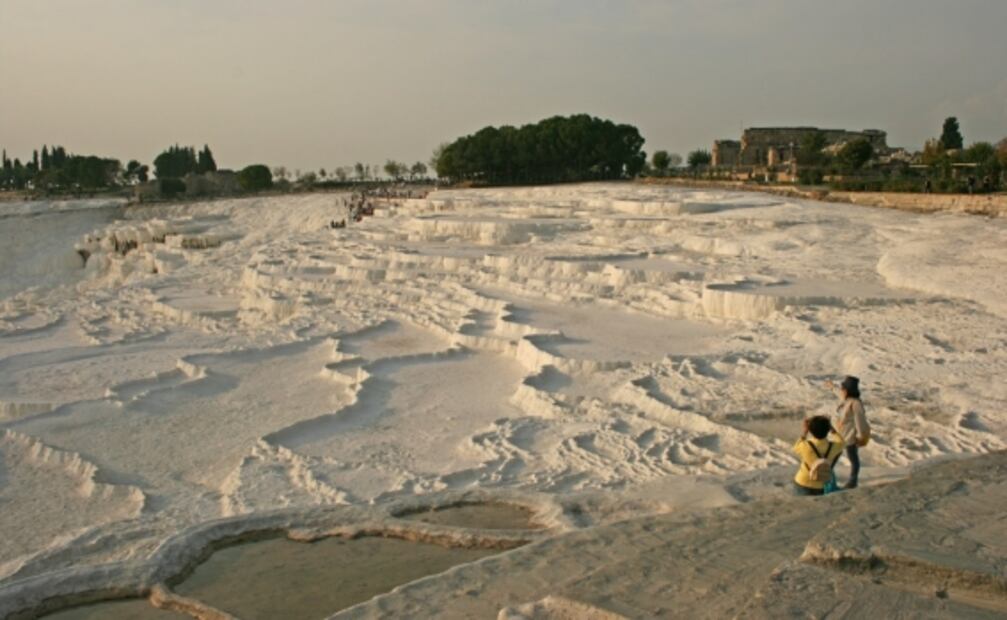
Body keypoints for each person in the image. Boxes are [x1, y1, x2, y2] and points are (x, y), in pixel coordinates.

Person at [827, 375, 870, 489]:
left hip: (849, 436)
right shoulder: (845, 398)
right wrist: (831, 387)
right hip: (838, 436)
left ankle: (853, 481)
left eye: (843, 388)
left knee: (852, 458)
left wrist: (861, 436)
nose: (841, 390)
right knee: (834, 457)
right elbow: (837, 392)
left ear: (848, 390)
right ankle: (827, 478)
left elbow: (860, 420)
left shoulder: (856, 403)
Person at [793, 415, 844, 496]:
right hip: (821, 485)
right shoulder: (834, 446)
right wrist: (831, 428)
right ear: (827, 430)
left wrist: (805, 431)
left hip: (802, 482)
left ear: (811, 431)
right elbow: (842, 442)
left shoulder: (805, 445)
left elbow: (795, 447)